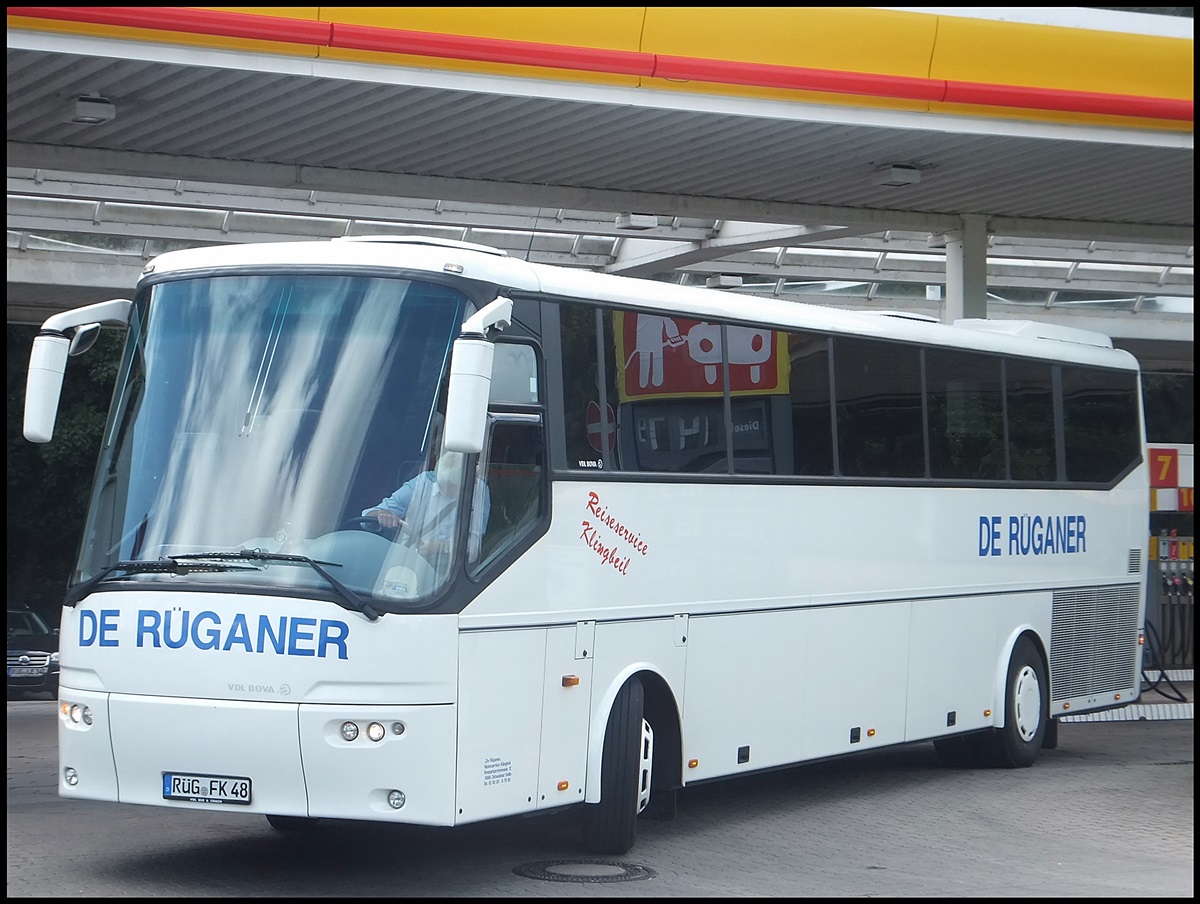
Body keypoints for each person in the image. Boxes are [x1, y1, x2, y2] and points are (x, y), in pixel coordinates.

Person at [362, 450, 490, 562]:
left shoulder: (479, 490)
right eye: (442, 485)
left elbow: (474, 544)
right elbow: (369, 515)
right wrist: (381, 515)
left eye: (451, 487)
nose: (445, 490)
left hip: (449, 571)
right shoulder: (421, 484)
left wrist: (441, 547)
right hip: (407, 561)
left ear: (465, 484)